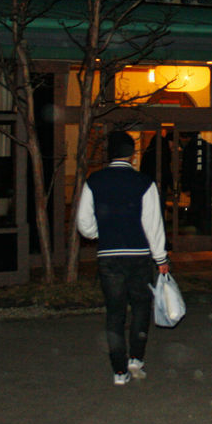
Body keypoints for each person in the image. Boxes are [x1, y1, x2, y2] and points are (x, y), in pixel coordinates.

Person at [76, 130, 170, 386]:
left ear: (109, 154)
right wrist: (161, 258)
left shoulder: (94, 181)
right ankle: (136, 359)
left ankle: (119, 371)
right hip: (139, 255)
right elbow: (153, 225)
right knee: (140, 308)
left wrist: (99, 233)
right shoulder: (144, 183)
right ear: (132, 154)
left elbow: (84, 223)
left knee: (115, 313)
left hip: (109, 255)